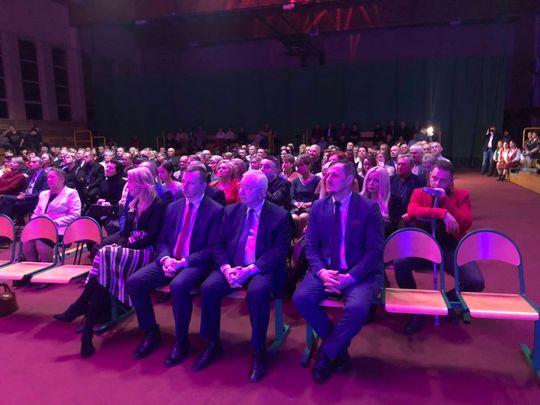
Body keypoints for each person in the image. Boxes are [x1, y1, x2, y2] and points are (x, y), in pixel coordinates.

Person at [53, 167, 166, 358]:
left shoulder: (158, 205)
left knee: (105, 254)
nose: (128, 185)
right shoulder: (134, 203)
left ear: (142, 184)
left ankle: (81, 306)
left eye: (131, 182)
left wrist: (123, 245)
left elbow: (151, 237)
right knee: (104, 273)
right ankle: (87, 332)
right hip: (129, 250)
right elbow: (126, 232)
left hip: (145, 253)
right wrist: (123, 240)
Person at [292, 161, 384, 384]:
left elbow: (374, 251)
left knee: (358, 308)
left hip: (358, 273)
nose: (327, 179)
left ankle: (327, 353)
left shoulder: (368, 208)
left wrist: (350, 277)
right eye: (326, 175)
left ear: (350, 180)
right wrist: (322, 272)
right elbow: (311, 246)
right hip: (326, 270)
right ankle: (339, 347)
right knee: (301, 298)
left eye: (334, 175)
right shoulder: (319, 207)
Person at [194, 170, 290, 383]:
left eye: (247, 188)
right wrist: (226, 268)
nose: (241, 191)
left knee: (257, 293)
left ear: (262, 192)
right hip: (232, 266)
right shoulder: (230, 211)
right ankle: (212, 343)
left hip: (261, 268)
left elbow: (279, 252)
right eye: (241, 186)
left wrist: (250, 270)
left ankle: (258, 350)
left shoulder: (279, 215)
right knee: (208, 288)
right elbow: (218, 244)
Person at [127, 165, 223, 365]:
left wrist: (184, 262)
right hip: (170, 259)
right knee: (135, 281)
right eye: (184, 181)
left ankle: (181, 341)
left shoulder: (215, 210)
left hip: (195, 263)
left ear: (203, 185)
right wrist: (165, 258)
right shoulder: (174, 207)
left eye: (191, 183)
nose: (185, 186)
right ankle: (151, 332)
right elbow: (162, 240)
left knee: (178, 286)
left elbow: (211, 248)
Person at [394, 160, 485, 335]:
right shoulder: (419, 192)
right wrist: (443, 214)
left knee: (475, 281)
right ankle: (416, 308)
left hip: (450, 248)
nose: (437, 183)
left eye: (443, 180)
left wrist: (445, 202)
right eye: (434, 178)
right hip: (422, 247)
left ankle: (444, 303)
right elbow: (413, 211)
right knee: (400, 263)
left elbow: (465, 223)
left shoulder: (462, 195)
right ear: (429, 176)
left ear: (451, 181)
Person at [23, 168, 81, 262]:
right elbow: (36, 212)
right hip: (41, 227)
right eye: (48, 178)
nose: (49, 180)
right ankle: (33, 267)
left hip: (60, 228)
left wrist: (53, 222)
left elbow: (75, 215)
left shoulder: (71, 193)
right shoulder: (43, 194)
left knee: (41, 240)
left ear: (62, 179)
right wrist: (36, 220)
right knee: (27, 240)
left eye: (52, 177)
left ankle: (47, 266)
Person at [0, 156, 48, 225]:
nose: (31, 164)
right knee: (5, 199)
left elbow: (43, 192)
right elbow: (25, 187)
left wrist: (27, 195)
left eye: (34, 162)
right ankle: (7, 223)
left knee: (7, 199)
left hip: (34, 199)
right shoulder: (32, 174)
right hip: (25, 196)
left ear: (41, 164)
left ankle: (5, 224)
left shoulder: (44, 175)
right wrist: (22, 193)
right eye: (30, 162)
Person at [290, 154, 320, 238]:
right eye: (297, 166)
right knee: (294, 217)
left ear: (308, 165)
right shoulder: (295, 181)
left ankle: (302, 241)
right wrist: (296, 203)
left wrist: (308, 204)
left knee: (303, 217)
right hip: (298, 207)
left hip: (311, 206)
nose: (298, 168)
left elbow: (318, 198)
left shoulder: (317, 180)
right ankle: (296, 240)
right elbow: (292, 198)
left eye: (301, 166)